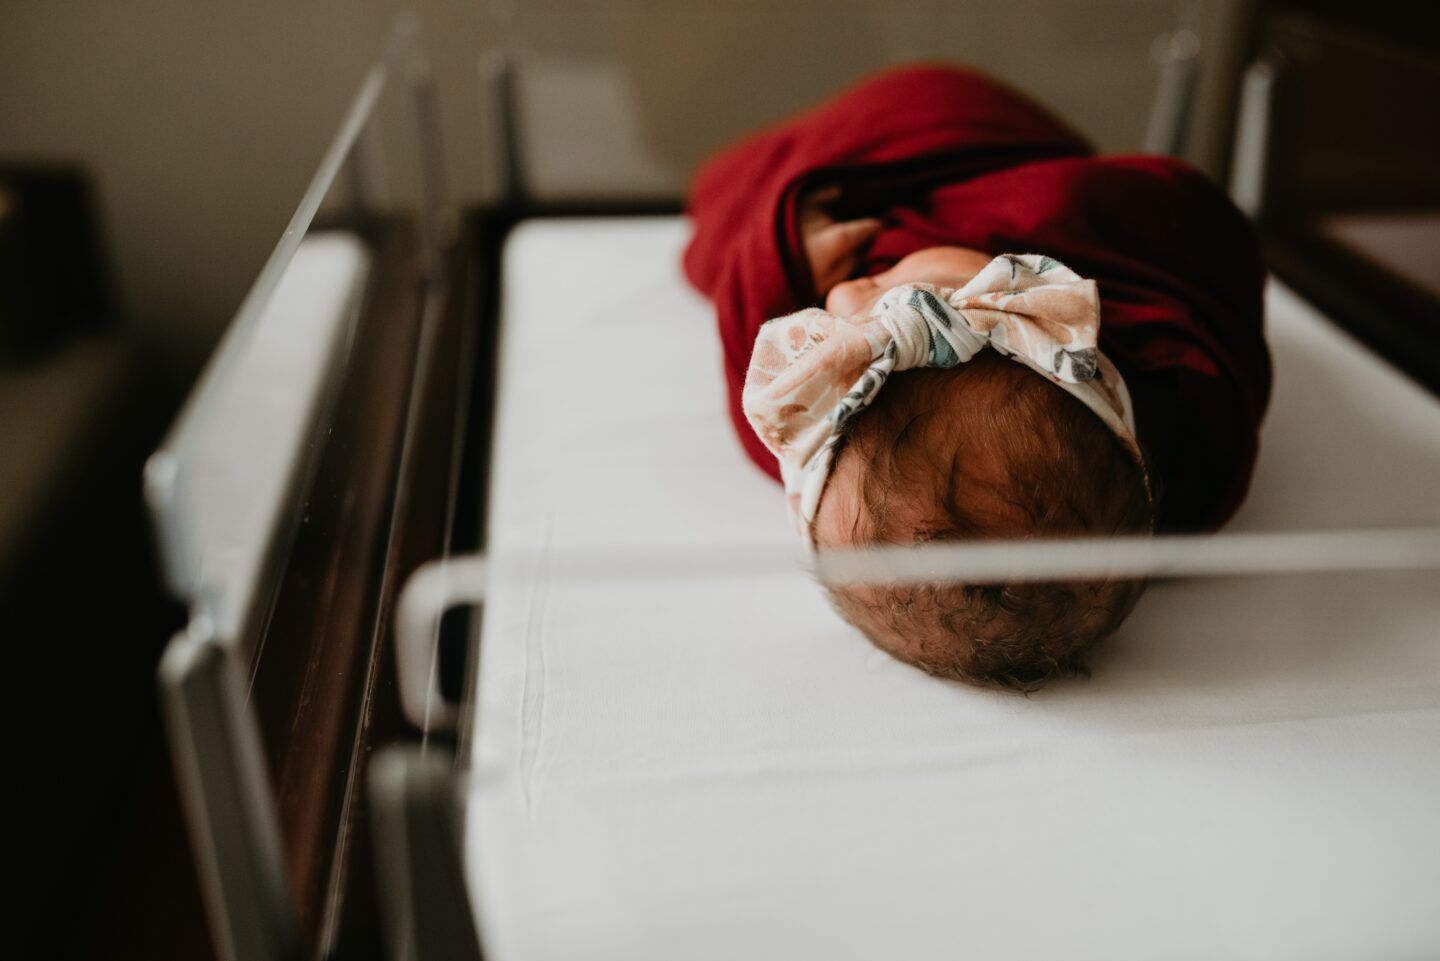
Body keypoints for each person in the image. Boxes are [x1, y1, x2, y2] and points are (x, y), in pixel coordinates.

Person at [683, 65, 1271, 689]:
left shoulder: (787, 419)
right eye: (912, 296)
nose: (847, 295)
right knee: (938, 101)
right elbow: (1200, 228)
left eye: (838, 332)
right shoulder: (1190, 401)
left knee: (722, 212)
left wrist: (780, 257)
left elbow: (748, 335)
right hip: (985, 152)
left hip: (854, 185)